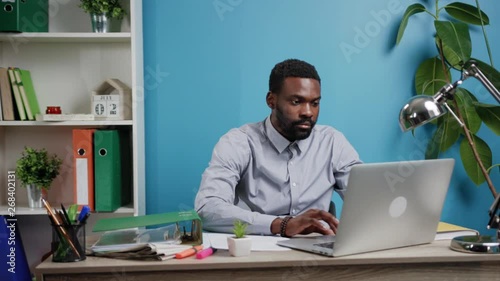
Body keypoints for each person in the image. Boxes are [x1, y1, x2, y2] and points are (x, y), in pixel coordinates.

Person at [194, 58, 362, 237]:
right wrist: (281, 225)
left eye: (315, 103)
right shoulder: (239, 143)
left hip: (318, 252)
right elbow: (208, 208)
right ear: (271, 100)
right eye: (297, 102)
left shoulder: (332, 142)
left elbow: (368, 198)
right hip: (255, 253)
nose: (308, 112)